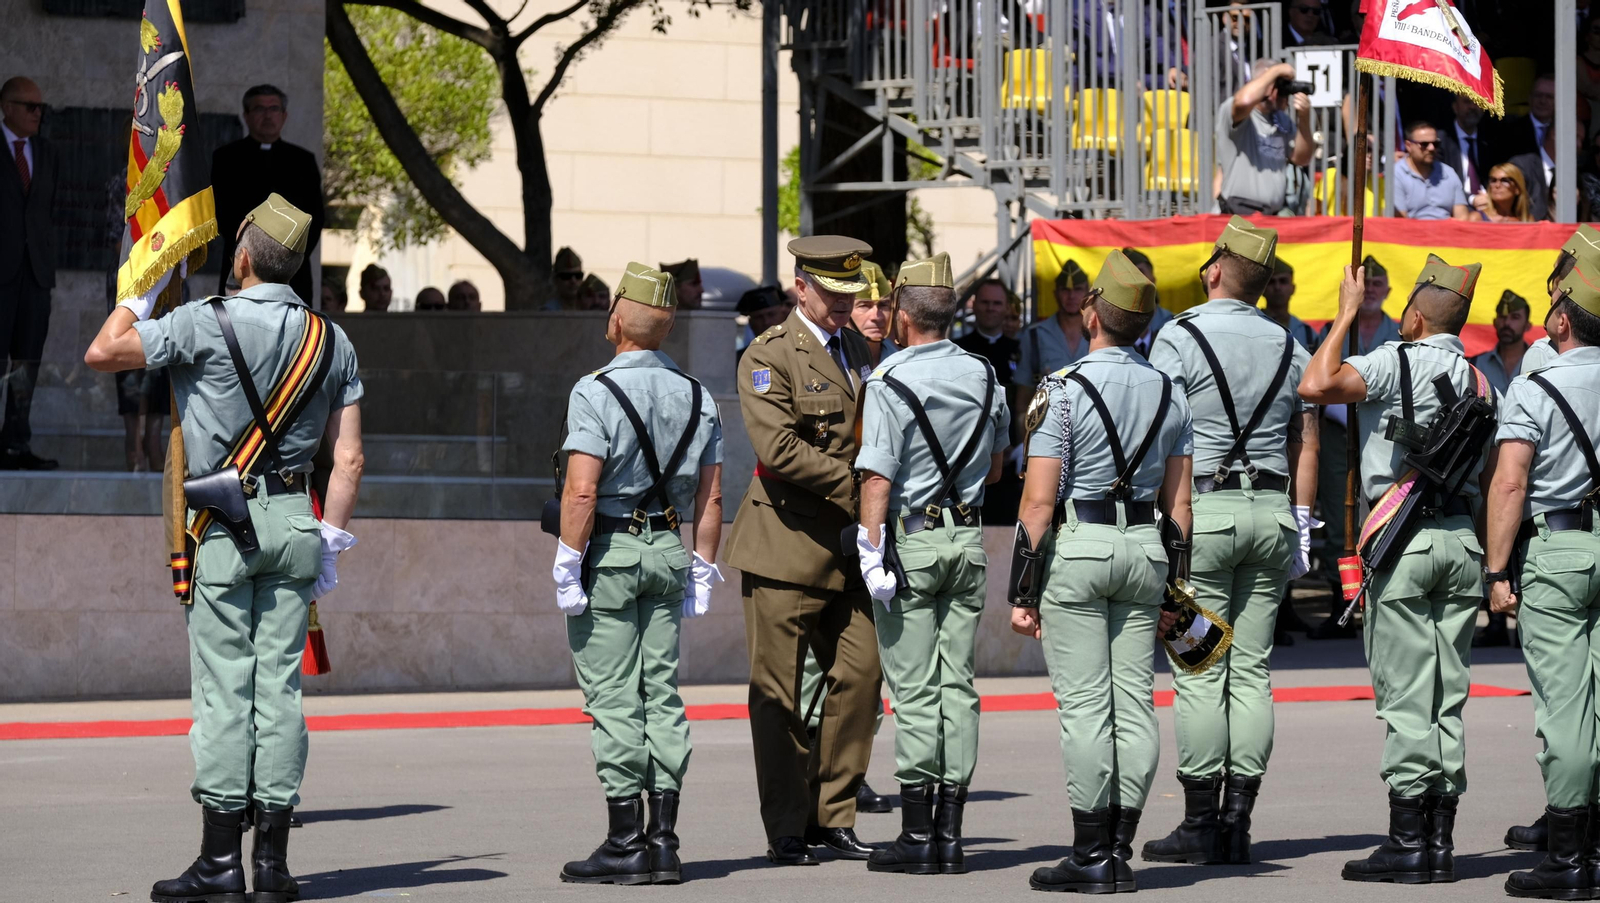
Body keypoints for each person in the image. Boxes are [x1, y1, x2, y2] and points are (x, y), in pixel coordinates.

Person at [84, 194, 365, 903]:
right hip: (296, 522)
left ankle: (219, 862)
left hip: (222, 526)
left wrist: (139, 292)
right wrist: (330, 539)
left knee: (223, 691)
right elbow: (350, 458)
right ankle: (272, 865)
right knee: (280, 690)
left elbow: (103, 352)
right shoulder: (332, 340)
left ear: (241, 256)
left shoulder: (202, 321)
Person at [1301, 255, 1493, 886]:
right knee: (1447, 692)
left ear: (1413, 316)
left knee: (1407, 692)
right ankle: (1441, 838)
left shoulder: (1393, 359)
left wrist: (1346, 314)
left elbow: (1315, 384)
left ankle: (1409, 840)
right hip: (1460, 539)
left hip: (1403, 540)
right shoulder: (1482, 381)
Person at [1011, 249, 1194, 894]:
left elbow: (1038, 502)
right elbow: (1180, 505)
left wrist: (1023, 589)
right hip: (1145, 548)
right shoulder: (1170, 391)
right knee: (1135, 701)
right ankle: (1119, 846)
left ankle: (1091, 852)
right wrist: (1177, 589)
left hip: (1081, 546)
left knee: (1087, 705)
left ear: (1092, 314)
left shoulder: (1060, 389)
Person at [1143, 218, 1317, 867]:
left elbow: (1161, 436)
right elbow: (1305, 441)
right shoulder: (1290, 343)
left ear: (1215, 268)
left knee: (1200, 667)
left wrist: (1160, 522)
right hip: (1271, 513)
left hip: (1203, 516)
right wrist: (1303, 520)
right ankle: (1237, 822)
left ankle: (1199, 823)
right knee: (1251, 669)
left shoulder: (1178, 336)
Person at [551, 262, 724, 885]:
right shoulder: (699, 395)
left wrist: (566, 561)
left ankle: (625, 841)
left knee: (615, 696)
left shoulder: (594, 390)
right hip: (669, 552)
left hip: (612, 555)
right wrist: (703, 567)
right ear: (668, 325)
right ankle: (664, 841)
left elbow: (581, 491)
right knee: (662, 692)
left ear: (618, 318)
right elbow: (711, 496)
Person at [724, 235, 884, 866]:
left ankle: (832, 814)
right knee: (779, 696)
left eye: (851, 293)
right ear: (801, 288)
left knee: (862, 678)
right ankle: (788, 825)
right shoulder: (768, 355)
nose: (846, 304)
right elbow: (779, 449)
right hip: (786, 545)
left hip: (850, 549)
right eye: (833, 293)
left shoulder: (860, 349)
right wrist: (863, 486)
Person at [853, 251, 1008, 875]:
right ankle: (951, 833)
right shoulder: (985, 374)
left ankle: (918, 836)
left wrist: (869, 549)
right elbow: (995, 469)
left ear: (902, 314)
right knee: (957, 687)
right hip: (966, 539)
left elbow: (877, 478)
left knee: (915, 690)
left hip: (911, 541)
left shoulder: (889, 380)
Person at [1482, 250, 1600, 900]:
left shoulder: (1535, 384)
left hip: (1558, 548)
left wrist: (1496, 568)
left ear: (1560, 321)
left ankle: (1569, 857)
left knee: (1566, 709)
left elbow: (1510, 482)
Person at [1309, 254, 1402, 638]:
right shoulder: (1334, 330)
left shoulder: (1400, 332)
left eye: (1378, 284)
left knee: (1385, 515)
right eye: (1367, 284)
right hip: (1337, 435)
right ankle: (1341, 601)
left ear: (1388, 290)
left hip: (1383, 436)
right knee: (1339, 520)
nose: (1372, 291)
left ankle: (1384, 602)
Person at [211, 85, 323, 304]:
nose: (268, 115)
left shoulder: (302, 161)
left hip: (293, 271)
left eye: (274, 109)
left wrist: (289, 256)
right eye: (259, 109)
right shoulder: (227, 159)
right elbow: (221, 213)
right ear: (246, 115)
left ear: (284, 115)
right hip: (242, 266)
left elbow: (315, 217)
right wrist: (248, 255)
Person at [0, 75, 59, 471]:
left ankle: (15, 443)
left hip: (35, 277)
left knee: (26, 363)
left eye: (41, 107)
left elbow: (47, 210)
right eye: (30, 106)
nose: (38, 114)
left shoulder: (47, 152)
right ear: (7, 108)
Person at [1214, 60, 1315, 216]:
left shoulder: (1282, 120)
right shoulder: (1236, 111)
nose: (1283, 93)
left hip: (1270, 216)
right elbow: (1244, 100)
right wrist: (1276, 71)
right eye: (1278, 85)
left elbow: (1302, 158)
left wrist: (1304, 118)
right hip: (1236, 214)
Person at [1015, 259, 1091, 425]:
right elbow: (1023, 399)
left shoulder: (1099, 333)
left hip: (1093, 427)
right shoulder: (1034, 336)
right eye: (1065, 290)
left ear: (1087, 293)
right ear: (1055, 293)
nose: (1071, 296)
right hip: (1048, 428)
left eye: (1078, 289)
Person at [1394, 122, 1471, 221]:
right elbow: (1400, 220)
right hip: (1411, 230)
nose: (1431, 148)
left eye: (1436, 144)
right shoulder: (1396, 174)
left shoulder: (1448, 173)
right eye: (1424, 144)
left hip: (1447, 229)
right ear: (1408, 146)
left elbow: (1462, 217)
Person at [1436, 94, 1495, 197]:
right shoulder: (1440, 140)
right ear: (1455, 107)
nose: (1472, 107)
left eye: (1477, 102)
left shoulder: (1491, 140)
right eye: (1467, 102)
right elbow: (1439, 181)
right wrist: (1471, 199)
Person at [1509, 117, 1560, 223]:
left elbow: (1585, 216)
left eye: (1581, 140)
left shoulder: (1574, 172)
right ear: (1555, 134)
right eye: (1576, 137)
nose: (1579, 144)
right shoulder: (1522, 165)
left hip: (1565, 230)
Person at [1261, 258, 1318, 351]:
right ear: (1262, 289)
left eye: (1283, 281)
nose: (1277, 287)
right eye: (1271, 282)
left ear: (1293, 288)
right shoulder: (1252, 325)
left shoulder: (1308, 334)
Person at [1124, 248, 1172, 357]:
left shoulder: (1171, 324)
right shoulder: (1112, 330)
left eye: (1140, 272)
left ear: (1153, 278)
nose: (1136, 279)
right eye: (1129, 274)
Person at [852, 260, 898, 367]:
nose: (876, 317)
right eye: (864, 306)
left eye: (883, 305)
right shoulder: (830, 361)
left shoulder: (902, 363)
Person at [735, 285, 791, 362]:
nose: (766, 322)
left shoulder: (801, 353)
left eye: (771, 315)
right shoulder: (742, 360)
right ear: (751, 324)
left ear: (784, 316)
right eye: (759, 317)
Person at [1470, 163, 1535, 223]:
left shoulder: (1527, 220)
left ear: (1517, 189)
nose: (1497, 185)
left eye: (1505, 181)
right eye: (1493, 180)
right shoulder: (1477, 218)